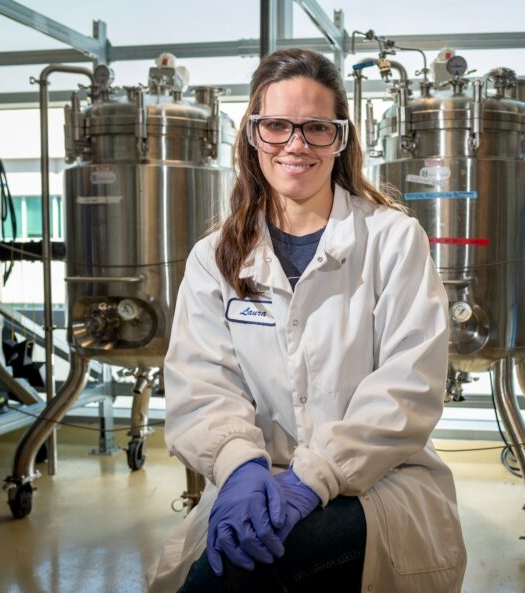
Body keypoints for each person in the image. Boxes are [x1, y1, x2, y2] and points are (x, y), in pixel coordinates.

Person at [147, 48, 467, 593]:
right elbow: (201, 383)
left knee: (248, 572)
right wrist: (239, 467)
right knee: (221, 566)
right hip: (258, 478)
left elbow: (408, 385)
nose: (296, 144)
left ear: (340, 138)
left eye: (316, 127)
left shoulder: (391, 238)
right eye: (276, 126)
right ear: (253, 133)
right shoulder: (215, 255)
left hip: (376, 482)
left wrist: (313, 478)